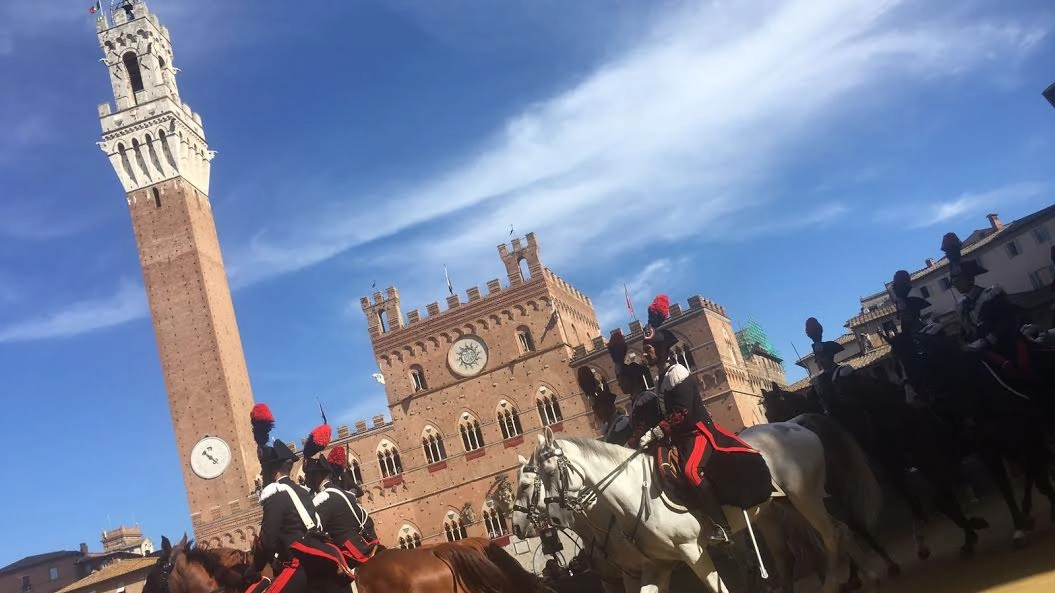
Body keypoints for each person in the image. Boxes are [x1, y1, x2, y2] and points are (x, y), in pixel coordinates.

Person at [635, 295, 772, 545]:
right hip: (677, 436)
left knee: (691, 471)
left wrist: (657, 431)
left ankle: (723, 526)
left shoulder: (678, 372)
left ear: (663, 349)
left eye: (649, 348)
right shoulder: (660, 379)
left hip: (697, 433)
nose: (646, 353)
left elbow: (683, 412)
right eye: (645, 349)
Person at [245, 404, 354, 593]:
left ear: (271, 470)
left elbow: (268, 540)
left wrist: (255, 567)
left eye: (264, 470)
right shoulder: (303, 492)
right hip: (324, 555)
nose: (262, 475)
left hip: (299, 564)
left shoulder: (275, 493)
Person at [940, 233, 1035, 381]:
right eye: (954, 281)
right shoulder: (961, 306)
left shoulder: (991, 295)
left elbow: (1006, 320)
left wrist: (987, 340)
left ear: (970, 278)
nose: (956, 284)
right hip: (979, 352)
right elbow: (966, 331)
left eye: (959, 279)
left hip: (1003, 346)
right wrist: (964, 343)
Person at [303, 444, 380, 569]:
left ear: (317, 476)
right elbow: (366, 518)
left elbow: (315, 531)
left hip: (351, 555)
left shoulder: (323, 498)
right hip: (367, 544)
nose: (306, 481)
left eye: (308, 476)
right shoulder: (346, 494)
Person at [605, 329, 664, 449]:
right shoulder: (636, 401)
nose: (619, 384)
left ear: (632, 379)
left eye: (621, 379)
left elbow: (647, 427)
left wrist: (632, 442)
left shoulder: (646, 398)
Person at [325, 446, 380, 545]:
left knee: (366, 521)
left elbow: (358, 490)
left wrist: (351, 493)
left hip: (350, 511)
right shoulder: (329, 479)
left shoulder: (343, 475)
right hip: (338, 514)